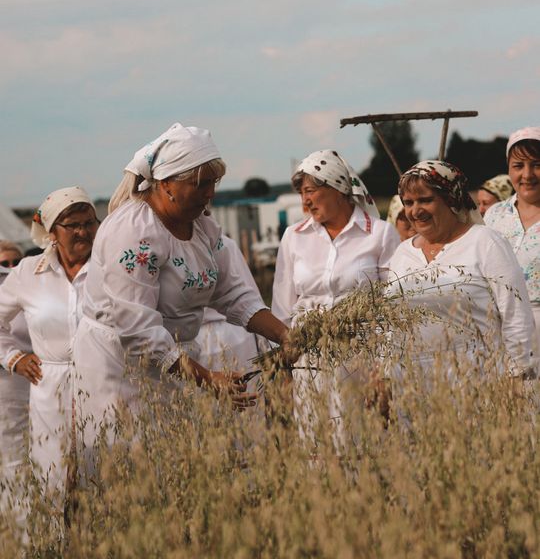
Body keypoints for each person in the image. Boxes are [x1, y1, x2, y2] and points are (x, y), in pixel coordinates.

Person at [73, 122, 290, 458]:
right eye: (200, 184)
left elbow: (234, 293)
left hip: (174, 362)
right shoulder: (133, 233)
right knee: (134, 460)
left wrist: (286, 335)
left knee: (178, 455)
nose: (210, 193)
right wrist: (207, 378)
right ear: (166, 184)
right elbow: (138, 330)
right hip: (122, 368)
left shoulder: (203, 227)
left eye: (214, 183)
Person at [271, 149, 400, 438]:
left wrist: (384, 370)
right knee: (316, 440)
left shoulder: (379, 234)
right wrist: (284, 366)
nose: (305, 201)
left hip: (361, 358)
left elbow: (392, 306)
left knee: (362, 439)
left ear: (337, 188)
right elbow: (282, 305)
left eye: (310, 191)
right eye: (301, 193)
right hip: (309, 360)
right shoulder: (294, 237)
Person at [387, 160, 536, 377]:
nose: (415, 211)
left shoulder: (485, 242)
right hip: (411, 383)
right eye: (408, 203)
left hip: (479, 381)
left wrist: (518, 373)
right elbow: (389, 321)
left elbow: (515, 315)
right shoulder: (402, 253)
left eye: (426, 200)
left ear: (451, 200)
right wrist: (384, 373)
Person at [0, 188, 98, 496]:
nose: (83, 231)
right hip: (50, 386)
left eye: (89, 223)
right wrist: (14, 358)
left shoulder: (109, 269)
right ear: (52, 232)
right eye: (73, 225)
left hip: (104, 382)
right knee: (53, 477)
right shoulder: (29, 272)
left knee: (104, 475)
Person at [484, 127, 540, 350]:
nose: (527, 175)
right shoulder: (494, 215)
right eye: (518, 166)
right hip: (497, 329)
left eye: (537, 164)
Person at [195, 235, 269, 373]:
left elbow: (249, 295)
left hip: (232, 332)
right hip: (197, 339)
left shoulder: (225, 244)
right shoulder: (162, 248)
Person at [0, 253, 30, 509]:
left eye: (15, 261)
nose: (11, 267)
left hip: (35, 377)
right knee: (14, 456)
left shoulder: (27, 279)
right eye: (4, 263)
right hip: (8, 380)